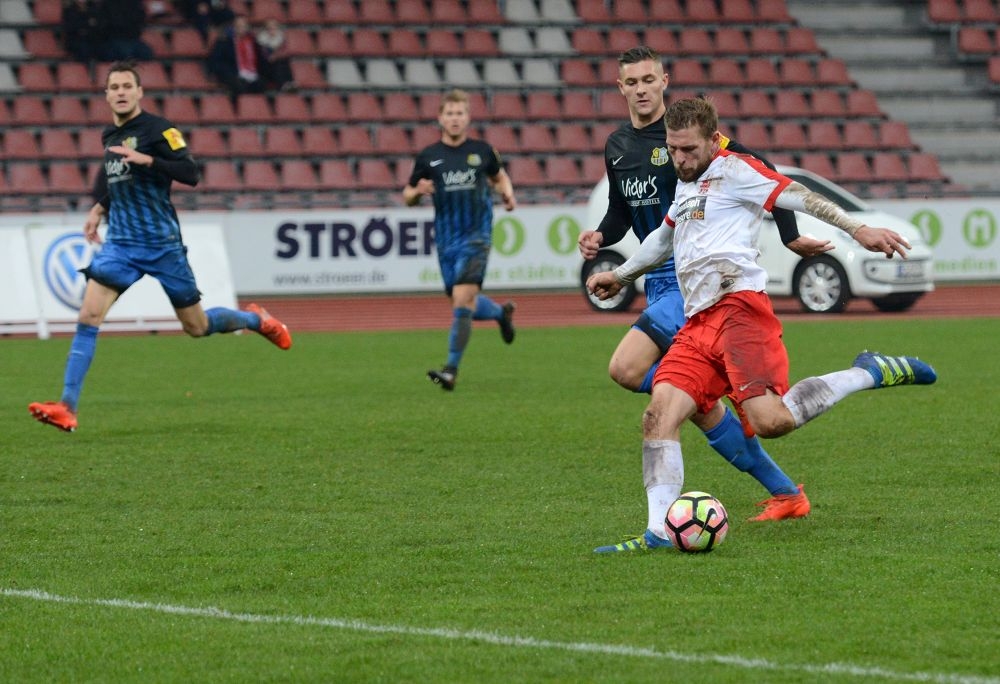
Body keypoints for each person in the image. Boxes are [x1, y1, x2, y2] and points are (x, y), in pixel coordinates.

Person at [586, 97, 937, 550]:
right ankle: (657, 534)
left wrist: (856, 230)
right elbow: (663, 238)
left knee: (771, 421)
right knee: (658, 415)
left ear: (714, 140)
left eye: (689, 149)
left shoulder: (737, 169)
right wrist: (620, 275)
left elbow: (798, 195)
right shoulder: (687, 182)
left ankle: (867, 371)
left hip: (739, 311)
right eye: (673, 150)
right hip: (698, 321)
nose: (680, 159)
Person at [579, 47, 829, 537]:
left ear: (665, 80)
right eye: (632, 82)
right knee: (693, 409)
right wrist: (600, 237)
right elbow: (620, 213)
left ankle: (715, 401)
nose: (642, 89)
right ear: (621, 87)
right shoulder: (617, 146)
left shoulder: (688, 135)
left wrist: (789, 233)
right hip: (656, 279)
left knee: (626, 368)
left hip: (696, 280)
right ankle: (786, 492)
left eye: (650, 79)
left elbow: (759, 165)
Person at [28, 61, 291, 433]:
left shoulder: (160, 130)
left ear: (139, 93)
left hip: (162, 245)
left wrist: (149, 159)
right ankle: (66, 407)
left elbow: (191, 173)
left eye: (126, 86)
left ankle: (256, 320)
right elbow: (120, 182)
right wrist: (100, 206)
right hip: (120, 244)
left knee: (196, 327)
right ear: (106, 95)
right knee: (87, 318)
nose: (120, 92)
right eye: (113, 87)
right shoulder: (109, 136)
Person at [402, 88, 517, 391]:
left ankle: (451, 369)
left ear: (467, 117)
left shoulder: (482, 150)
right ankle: (500, 313)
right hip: (446, 241)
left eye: (460, 113)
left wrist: (508, 192)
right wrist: (417, 192)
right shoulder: (429, 157)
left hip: (477, 236)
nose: (455, 119)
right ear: (440, 118)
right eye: (449, 113)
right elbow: (408, 195)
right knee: (461, 302)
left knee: (463, 299)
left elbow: (499, 176)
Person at [206, 15, 266, 98]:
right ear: (233, 27)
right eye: (238, 26)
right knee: (239, 85)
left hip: (252, 74)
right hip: (233, 74)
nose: (241, 28)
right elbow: (215, 60)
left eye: (244, 26)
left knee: (261, 85)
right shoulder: (223, 42)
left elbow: (261, 60)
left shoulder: (253, 42)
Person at [256, 18, 295, 92]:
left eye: (274, 27)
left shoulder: (281, 38)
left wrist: (276, 55)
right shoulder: (261, 39)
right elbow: (266, 56)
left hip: (278, 65)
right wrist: (275, 55)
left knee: (283, 60)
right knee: (278, 62)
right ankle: (284, 84)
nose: (272, 29)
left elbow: (285, 52)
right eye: (269, 27)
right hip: (266, 68)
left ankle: (289, 83)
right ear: (266, 28)